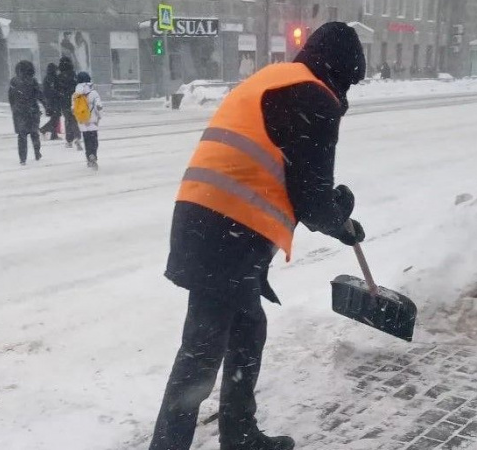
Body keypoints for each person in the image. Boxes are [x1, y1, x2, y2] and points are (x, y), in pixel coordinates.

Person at [148, 22, 367, 450]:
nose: (346, 94)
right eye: (349, 83)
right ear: (340, 72)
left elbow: (288, 178)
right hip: (226, 231)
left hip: (206, 220)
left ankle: (240, 434)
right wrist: (341, 216)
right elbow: (313, 200)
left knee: (247, 329)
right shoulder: (314, 97)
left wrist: (333, 214)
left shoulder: (275, 79)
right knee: (202, 349)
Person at [8, 60, 46, 165]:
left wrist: (14, 108)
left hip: (19, 112)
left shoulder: (14, 82)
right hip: (32, 111)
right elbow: (39, 95)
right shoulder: (33, 81)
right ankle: (37, 152)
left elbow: (11, 97)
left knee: (22, 135)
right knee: (34, 133)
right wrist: (46, 105)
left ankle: (22, 158)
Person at [73, 71, 103, 169]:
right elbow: (99, 106)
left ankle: (89, 157)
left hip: (83, 121)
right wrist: (99, 116)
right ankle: (93, 155)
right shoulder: (93, 93)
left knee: (86, 140)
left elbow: (73, 108)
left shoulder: (76, 94)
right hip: (93, 120)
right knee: (94, 139)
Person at [56, 56, 82, 150]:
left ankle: (71, 139)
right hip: (74, 100)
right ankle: (75, 138)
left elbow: (57, 90)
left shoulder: (59, 77)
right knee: (73, 120)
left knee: (68, 120)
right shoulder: (74, 75)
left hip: (64, 102)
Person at [39, 63, 61, 140]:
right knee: (55, 118)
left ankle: (53, 135)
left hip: (51, 101)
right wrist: (58, 94)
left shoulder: (48, 78)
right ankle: (43, 129)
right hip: (53, 101)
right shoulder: (51, 78)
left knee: (55, 118)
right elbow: (50, 91)